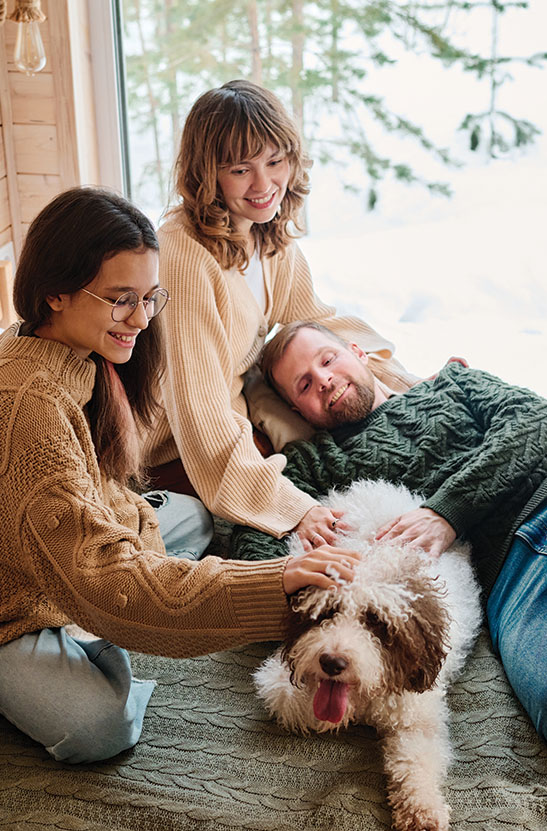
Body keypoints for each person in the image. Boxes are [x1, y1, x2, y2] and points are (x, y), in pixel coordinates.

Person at [0, 190, 358, 765]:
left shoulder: (59, 349)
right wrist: (276, 584)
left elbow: (93, 491)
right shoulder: (25, 413)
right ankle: (33, 655)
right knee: (102, 726)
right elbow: (107, 580)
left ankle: (84, 624)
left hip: (37, 550)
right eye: (122, 300)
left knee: (188, 516)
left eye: (149, 298)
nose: (143, 320)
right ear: (56, 293)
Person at [232, 320, 547, 773]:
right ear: (297, 410)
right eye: (303, 384)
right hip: (518, 585)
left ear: (357, 352)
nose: (322, 379)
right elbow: (251, 538)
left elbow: (541, 420)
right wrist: (300, 521)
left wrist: (448, 510)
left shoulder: (452, 384)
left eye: (328, 359)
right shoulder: (313, 464)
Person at [143, 79, 419, 549]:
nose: (265, 185)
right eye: (240, 170)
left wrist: (408, 384)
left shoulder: (267, 237)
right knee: (318, 479)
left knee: (363, 425)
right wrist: (293, 509)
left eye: (275, 162)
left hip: (236, 422)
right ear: (207, 174)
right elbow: (199, 408)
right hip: (169, 446)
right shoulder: (184, 254)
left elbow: (319, 324)